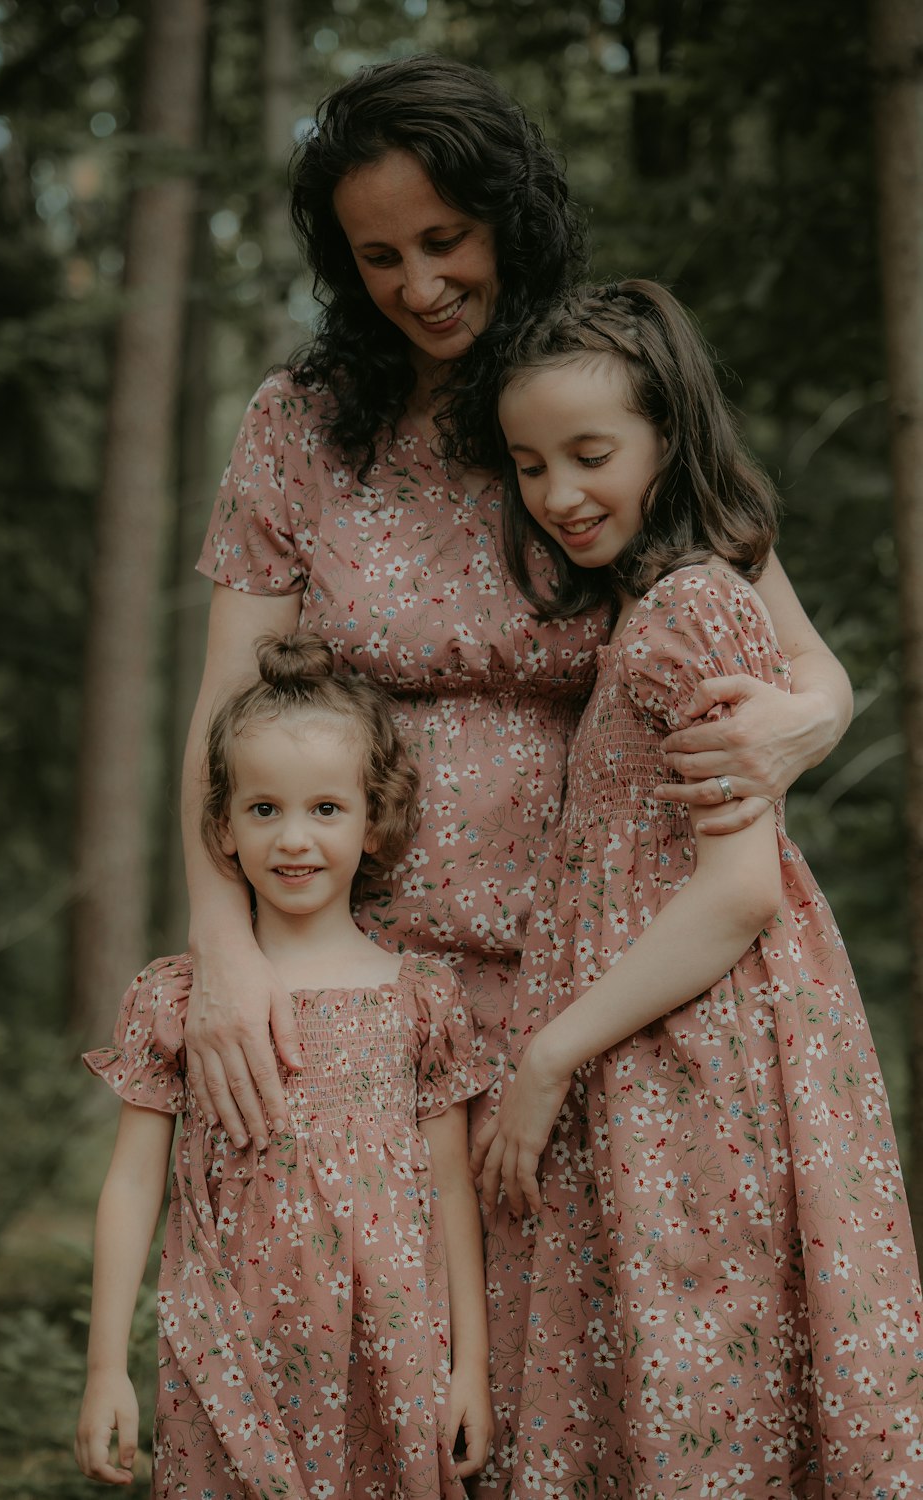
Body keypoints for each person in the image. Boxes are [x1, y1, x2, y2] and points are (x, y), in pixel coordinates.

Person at [183, 55, 854, 1161]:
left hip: (593, 980)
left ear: (510, 218)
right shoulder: (298, 423)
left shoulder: (583, 403)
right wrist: (223, 948)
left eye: (445, 240)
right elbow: (225, 712)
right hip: (353, 964)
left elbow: (808, 666)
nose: (418, 284)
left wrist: (806, 724)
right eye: (380, 256)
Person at [471, 280, 923, 1495]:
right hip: (652, 1047)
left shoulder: (696, 610)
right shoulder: (648, 611)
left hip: (692, 1056)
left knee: (704, 1354)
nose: (558, 494)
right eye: (526, 465)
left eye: (589, 455)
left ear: (668, 439)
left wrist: (547, 1055)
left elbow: (739, 894)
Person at [74, 633, 494, 1498]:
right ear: (222, 827)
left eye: (325, 810)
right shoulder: (181, 1001)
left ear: (375, 821)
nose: (293, 838)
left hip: (390, 1356)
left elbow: (451, 1190)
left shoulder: (421, 999)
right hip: (227, 1348)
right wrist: (105, 1367)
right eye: (264, 809)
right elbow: (130, 1185)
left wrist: (470, 1371)